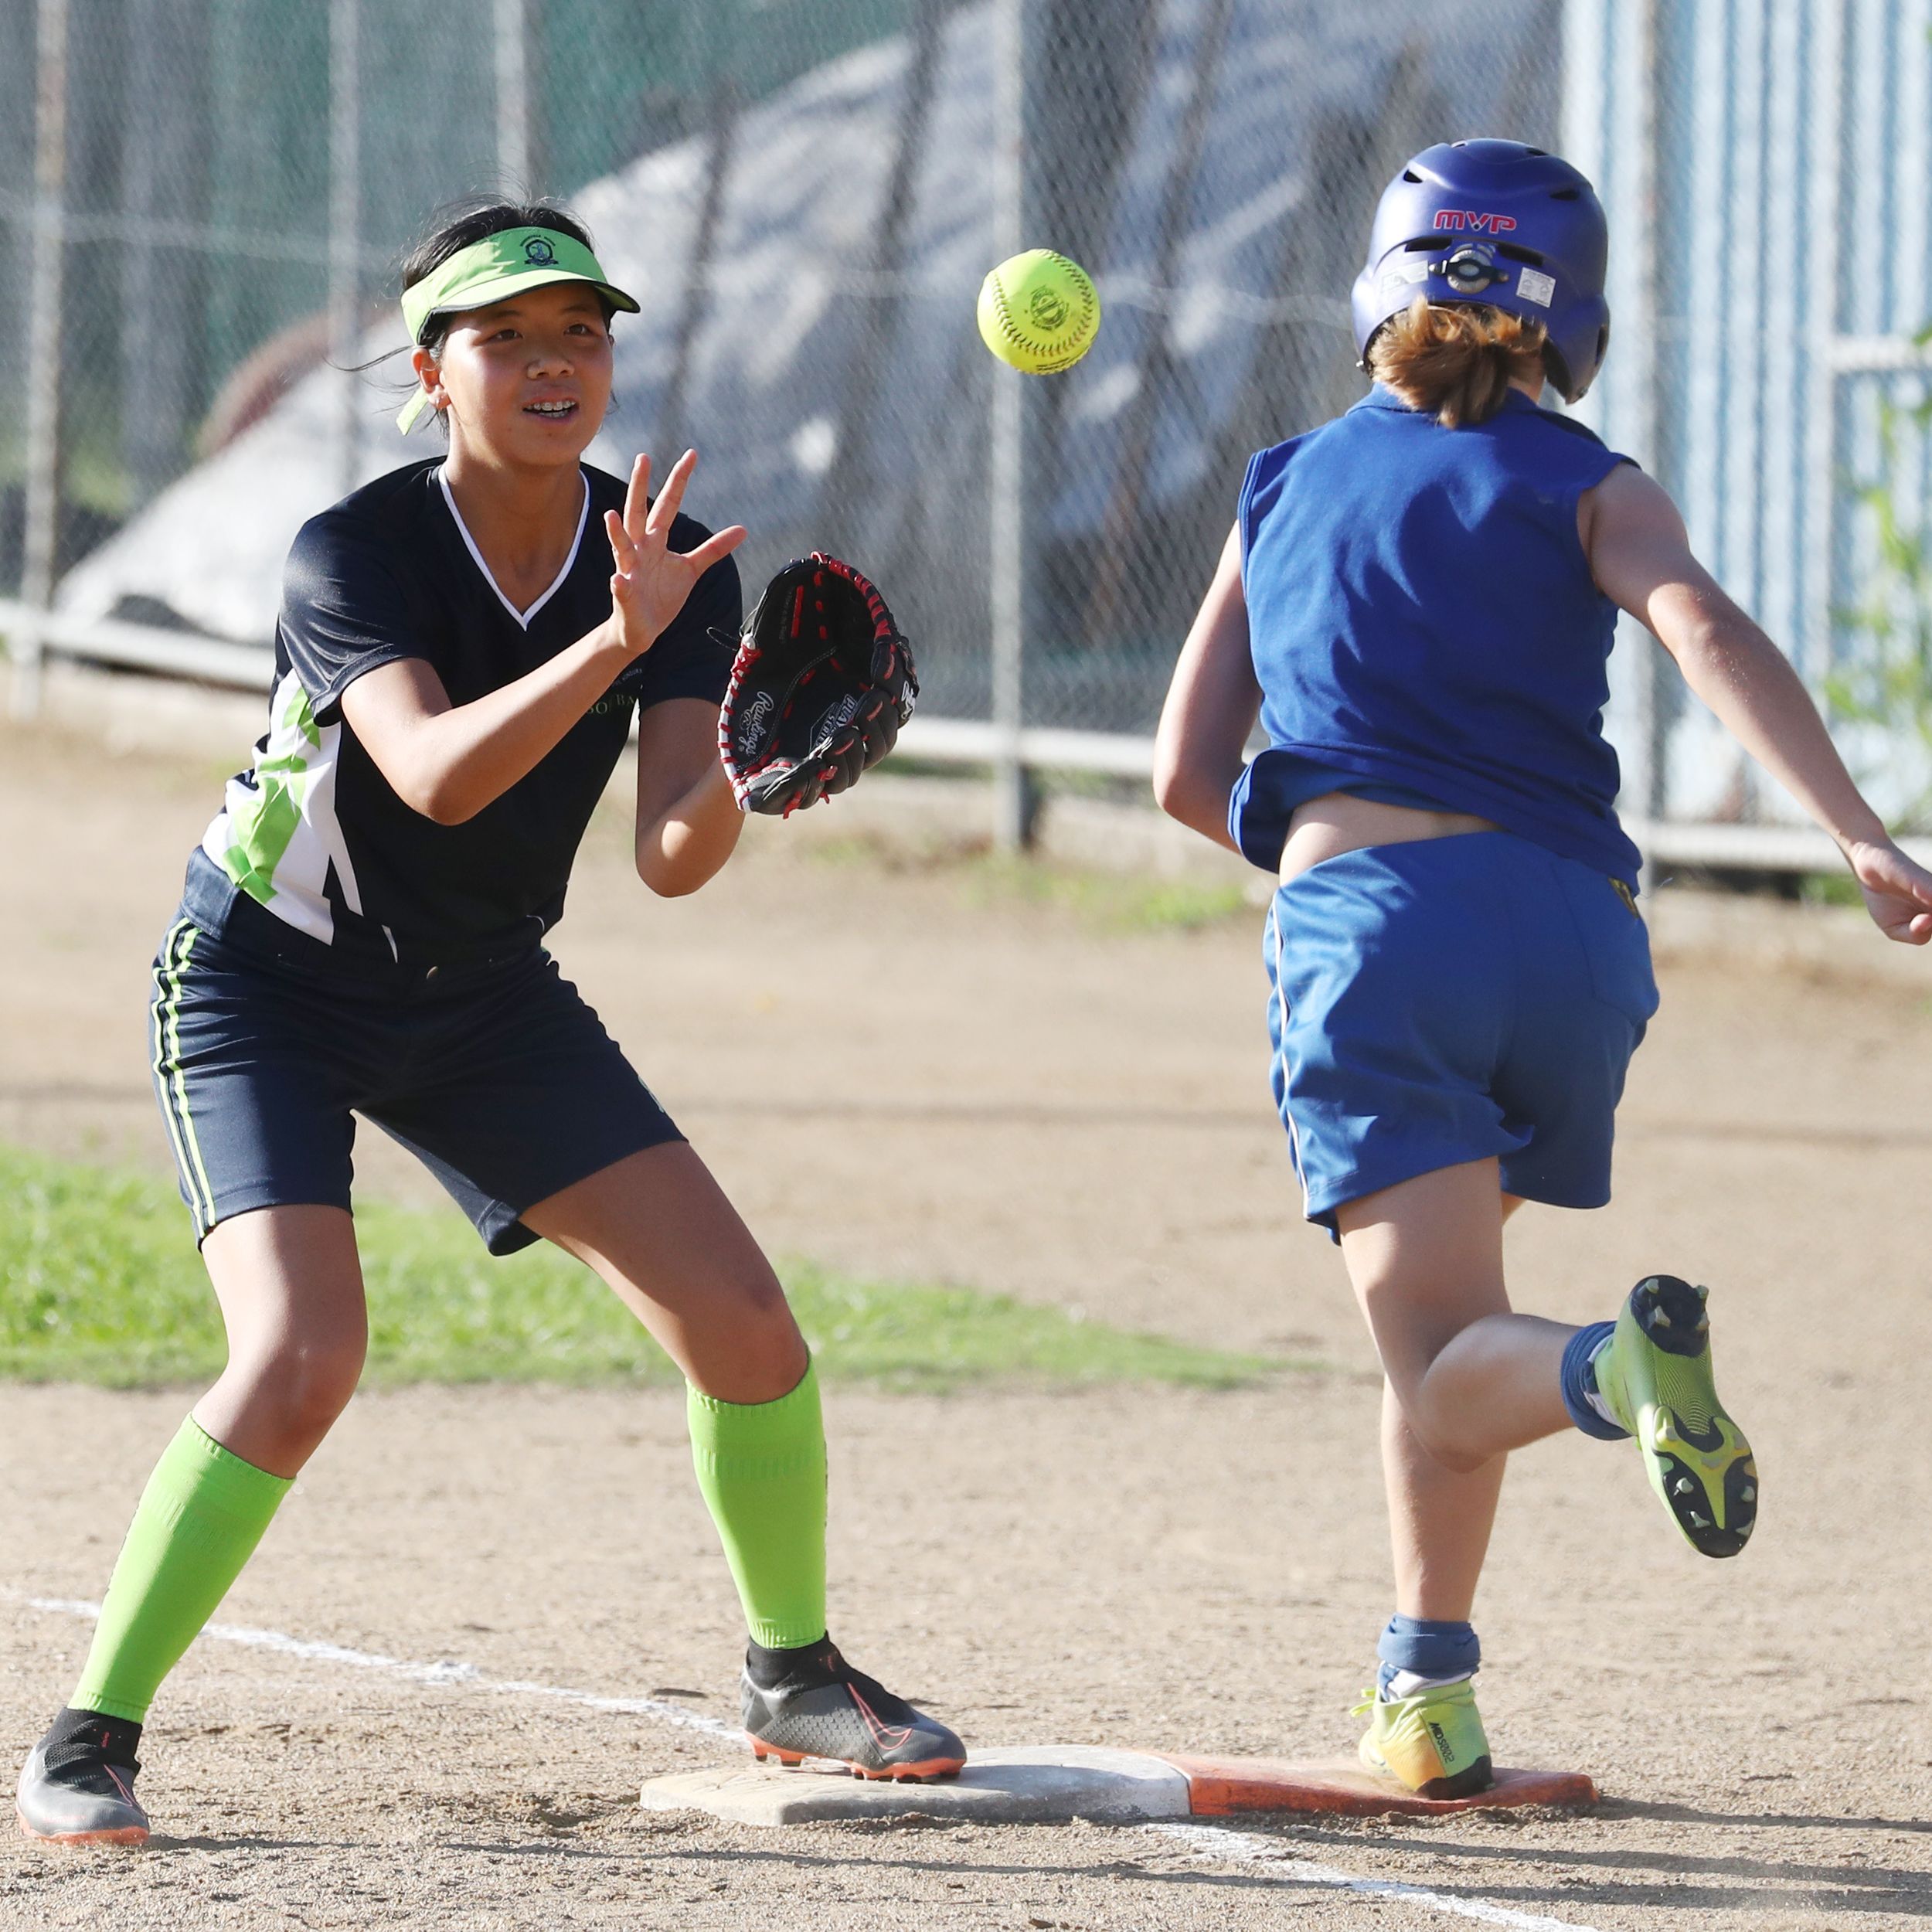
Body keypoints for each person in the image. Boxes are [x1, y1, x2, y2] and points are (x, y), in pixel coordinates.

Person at [16, 198, 964, 1847]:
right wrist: (617, 637)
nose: (552, 362)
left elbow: (669, 853)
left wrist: (753, 768)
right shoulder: (357, 553)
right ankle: (89, 1733)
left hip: (482, 996)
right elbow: (434, 776)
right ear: (429, 372)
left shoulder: (666, 558)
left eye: (580, 331)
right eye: (506, 336)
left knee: (747, 1327)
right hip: (266, 981)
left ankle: (793, 1674)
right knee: (302, 1354)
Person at [1153, 139, 1932, 1797]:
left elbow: (1180, 774)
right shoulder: (1594, 483)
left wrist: (1330, 850)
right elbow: (1702, 627)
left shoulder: (1282, 482)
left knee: (1451, 1360)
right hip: (1576, 938)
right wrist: (1857, 832)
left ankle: (1609, 1368)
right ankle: (1425, 1691)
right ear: (1571, 319)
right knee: (1448, 1336)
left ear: (1381, 291)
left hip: (1381, 936)